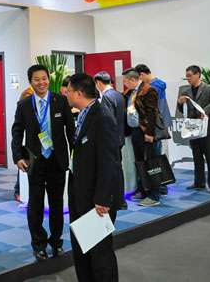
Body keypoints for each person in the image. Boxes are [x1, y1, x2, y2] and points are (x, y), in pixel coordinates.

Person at [11, 64, 75, 261]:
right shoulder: (24, 105)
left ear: (49, 79)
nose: (41, 83)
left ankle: (56, 242)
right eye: (37, 79)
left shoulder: (60, 100)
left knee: (57, 204)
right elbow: (17, 132)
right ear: (31, 82)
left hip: (57, 161)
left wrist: (76, 154)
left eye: (44, 78)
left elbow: (70, 130)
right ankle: (38, 245)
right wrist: (18, 157)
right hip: (35, 162)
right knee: (35, 205)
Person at [65, 73, 121, 282]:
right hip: (81, 193)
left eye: (69, 90)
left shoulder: (102, 116)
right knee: (83, 248)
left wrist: (103, 198)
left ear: (79, 93)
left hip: (97, 199)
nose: (66, 94)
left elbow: (109, 161)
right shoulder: (84, 114)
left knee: (100, 252)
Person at [177, 65, 210, 194]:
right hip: (193, 129)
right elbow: (181, 110)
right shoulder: (185, 91)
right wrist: (180, 103)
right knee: (197, 157)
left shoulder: (209, 88)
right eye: (186, 76)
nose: (188, 78)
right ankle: (199, 182)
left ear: (198, 74)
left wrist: (206, 110)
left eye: (190, 76)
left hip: (208, 129)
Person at [124, 68, 161, 207]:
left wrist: (149, 133)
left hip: (145, 132)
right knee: (140, 163)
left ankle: (154, 195)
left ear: (133, 80)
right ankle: (144, 190)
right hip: (135, 131)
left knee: (150, 163)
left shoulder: (149, 90)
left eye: (126, 81)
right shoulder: (132, 92)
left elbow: (152, 113)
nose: (125, 84)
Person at [134, 64, 171, 195]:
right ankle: (160, 186)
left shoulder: (153, 88)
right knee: (156, 157)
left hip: (154, 127)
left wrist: (149, 130)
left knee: (154, 159)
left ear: (142, 75)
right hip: (157, 125)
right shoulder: (156, 85)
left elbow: (153, 111)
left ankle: (159, 187)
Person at [94, 71, 127, 210]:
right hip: (119, 138)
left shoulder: (106, 97)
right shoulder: (119, 95)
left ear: (98, 83)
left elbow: (108, 121)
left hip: (111, 140)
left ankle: (117, 200)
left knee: (112, 171)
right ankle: (121, 199)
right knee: (118, 170)